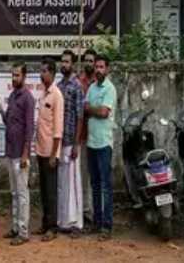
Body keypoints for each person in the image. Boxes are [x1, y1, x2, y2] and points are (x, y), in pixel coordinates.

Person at [0, 62, 34, 246]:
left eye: (17, 75)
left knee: (22, 194)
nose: (14, 78)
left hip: (21, 153)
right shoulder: (13, 96)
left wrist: (25, 154)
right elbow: (9, 121)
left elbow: (29, 128)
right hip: (11, 151)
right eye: (12, 75)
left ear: (24, 76)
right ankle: (14, 227)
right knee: (14, 193)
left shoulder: (27, 98)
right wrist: (0, 109)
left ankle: (23, 231)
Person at [84, 55, 116, 241]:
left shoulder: (110, 89)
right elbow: (85, 108)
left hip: (104, 143)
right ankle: (97, 223)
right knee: (95, 185)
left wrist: (93, 109)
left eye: (101, 67)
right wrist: (94, 109)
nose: (98, 70)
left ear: (107, 69)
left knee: (105, 186)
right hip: (91, 143)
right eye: (96, 66)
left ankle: (107, 225)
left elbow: (104, 113)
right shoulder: (91, 87)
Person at [35, 58, 64, 242]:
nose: (42, 74)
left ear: (52, 73)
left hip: (50, 152)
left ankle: (52, 228)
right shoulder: (43, 94)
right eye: (41, 71)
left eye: (45, 71)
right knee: (44, 190)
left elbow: (58, 129)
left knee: (51, 191)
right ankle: (45, 223)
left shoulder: (56, 95)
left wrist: (54, 154)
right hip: (40, 149)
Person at [57, 50, 85, 237]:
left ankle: (77, 224)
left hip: (72, 141)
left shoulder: (77, 86)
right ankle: (64, 221)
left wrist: (76, 143)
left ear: (73, 64)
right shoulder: (59, 86)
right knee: (62, 183)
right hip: (60, 140)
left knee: (74, 182)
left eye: (67, 62)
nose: (64, 64)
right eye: (62, 61)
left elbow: (80, 116)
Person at [80, 48, 97, 226]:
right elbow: (80, 109)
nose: (89, 63)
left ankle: (95, 211)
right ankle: (85, 211)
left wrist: (89, 109)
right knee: (83, 175)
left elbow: (102, 110)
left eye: (91, 61)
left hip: (98, 137)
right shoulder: (80, 82)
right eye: (86, 60)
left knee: (96, 176)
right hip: (83, 136)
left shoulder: (99, 83)